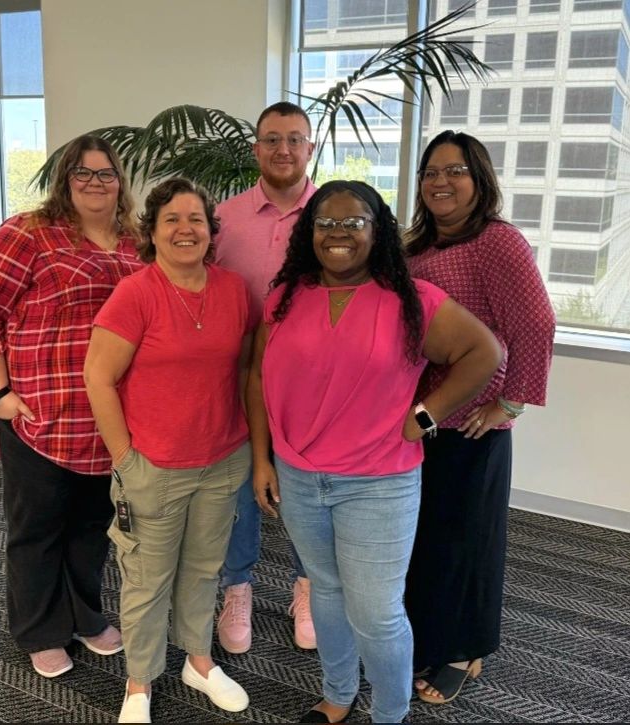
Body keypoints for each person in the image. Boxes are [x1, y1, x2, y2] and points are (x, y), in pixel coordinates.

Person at [248, 180, 504, 724]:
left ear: (377, 230)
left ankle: (390, 713)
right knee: (326, 591)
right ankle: (338, 695)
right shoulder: (286, 297)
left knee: (376, 612)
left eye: (353, 222)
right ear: (310, 231)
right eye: (325, 223)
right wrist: (262, 458)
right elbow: (257, 376)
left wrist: (425, 415)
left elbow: (485, 352)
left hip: (377, 482)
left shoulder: (413, 300)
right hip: (299, 476)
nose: (337, 233)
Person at [0, 134, 142, 678]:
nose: (94, 182)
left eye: (105, 173)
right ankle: (40, 629)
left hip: (109, 421)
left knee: (91, 528)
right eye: (82, 172)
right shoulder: (29, 233)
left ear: (120, 181)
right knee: (37, 530)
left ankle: (84, 616)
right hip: (40, 416)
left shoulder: (135, 241)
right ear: (65, 179)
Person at [83, 177, 253, 724]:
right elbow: (98, 378)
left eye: (196, 219)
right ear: (151, 233)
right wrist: (125, 460)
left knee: (203, 569)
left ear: (211, 230)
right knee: (147, 579)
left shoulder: (233, 290)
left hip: (222, 461)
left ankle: (198, 661)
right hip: (153, 467)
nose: (185, 229)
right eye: (172, 220)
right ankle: (139, 681)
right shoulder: (136, 294)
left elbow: (245, 368)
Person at [404, 130, 556, 705]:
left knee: (466, 540)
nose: (440, 181)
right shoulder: (418, 245)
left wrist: (509, 403)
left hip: (471, 423)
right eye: (431, 172)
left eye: (455, 171)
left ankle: (463, 650)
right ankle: (431, 635)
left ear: (480, 179)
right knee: (428, 538)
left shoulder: (496, 241)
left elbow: (535, 322)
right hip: (424, 417)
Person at [214, 100, 318, 654]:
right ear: (256, 149)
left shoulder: (332, 214)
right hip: (234, 378)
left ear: (310, 148)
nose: (283, 149)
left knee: (304, 488)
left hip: (309, 384)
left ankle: (308, 587)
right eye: (272, 139)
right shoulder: (223, 218)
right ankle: (237, 588)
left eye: (294, 139)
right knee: (240, 488)